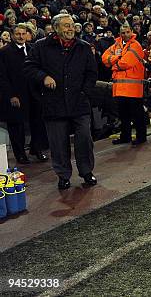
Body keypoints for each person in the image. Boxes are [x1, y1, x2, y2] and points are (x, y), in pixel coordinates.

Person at [24, 13, 98, 190]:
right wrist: (43, 77)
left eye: (72, 24)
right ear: (56, 28)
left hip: (79, 103)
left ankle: (87, 172)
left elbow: (91, 73)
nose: (70, 28)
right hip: (53, 103)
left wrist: (84, 93)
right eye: (66, 25)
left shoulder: (84, 47)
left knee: (84, 139)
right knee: (58, 143)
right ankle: (63, 175)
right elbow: (29, 67)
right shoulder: (41, 47)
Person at [0, 24, 49, 164]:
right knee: (17, 126)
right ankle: (20, 154)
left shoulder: (33, 48)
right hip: (16, 95)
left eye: (23, 33)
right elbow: (2, 77)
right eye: (18, 34)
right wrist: (11, 95)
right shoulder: (4, 52)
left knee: (38, 122)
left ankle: (37, 150)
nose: (21, 36)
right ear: (12, 35)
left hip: (34, 93)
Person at [101, 23, 147, 146]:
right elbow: (104, 58)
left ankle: (141, 137)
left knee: (137, 114)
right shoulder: (117, 45)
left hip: (133, 87)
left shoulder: (135, 45)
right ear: (120, 33)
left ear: (131, 32)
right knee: (123, 115)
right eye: (123, 33)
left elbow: (126, 63)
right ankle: (125, 136)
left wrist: (113, 65)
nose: (125, 35)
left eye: (127, 32)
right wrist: (118, 58)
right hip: (120, 88)